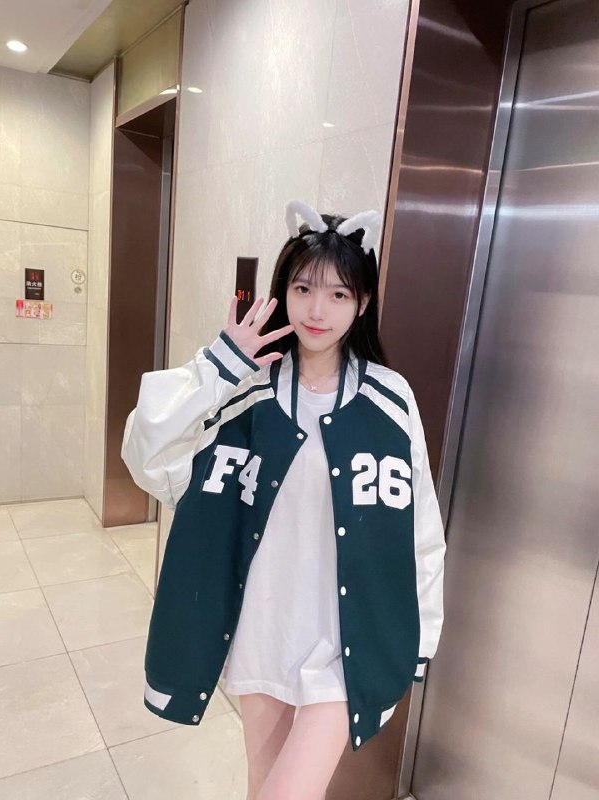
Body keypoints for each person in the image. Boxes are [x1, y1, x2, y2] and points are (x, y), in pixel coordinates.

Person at [121, 200, 446, 800]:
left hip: (347, 642)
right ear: (282, 292)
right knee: (261, 785)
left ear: (363, 304)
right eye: (303, 289)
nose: (318, 310)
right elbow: (147, 457)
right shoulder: (243, 391)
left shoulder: (390, 399)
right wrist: (218, 366)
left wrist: (421, 640)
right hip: (264, 630)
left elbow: (420, 531)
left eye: (339, 294)